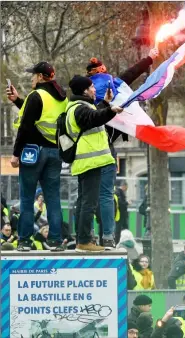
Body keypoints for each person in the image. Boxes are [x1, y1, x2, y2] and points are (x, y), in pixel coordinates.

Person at [86, 49, 159, 247]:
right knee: (107, 195)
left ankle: (87, 236)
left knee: (87, 195)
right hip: (108, 149)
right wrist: (150, 57)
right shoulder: (115, 84)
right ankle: (108, 237)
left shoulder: (84, 95)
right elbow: (132, 73)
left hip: (87, 150)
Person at [6, 61, 68, 251]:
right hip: (54, 152)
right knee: (53, 199)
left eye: (33, 75)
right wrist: (17, 100)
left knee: (26, 197)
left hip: (33, 152)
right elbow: (41, 115)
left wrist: (16, 154)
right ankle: (56, 241)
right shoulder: (61, 98)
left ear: (41, 77)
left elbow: (25, 126)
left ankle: (24, 241)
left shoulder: (36, 95)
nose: (32, 78)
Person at [66, 75, 123, 252]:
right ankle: (84, 241)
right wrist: (111, 110)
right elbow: (94, 117)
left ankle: (83, 240)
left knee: (85, 201)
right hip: (90, 162)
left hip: (88, 162)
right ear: (84, 90)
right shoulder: (79, 108)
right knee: (88, 203)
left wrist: (105, 104)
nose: (94, 90)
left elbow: (93, 115)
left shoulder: (79, 107)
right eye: (91, 87)